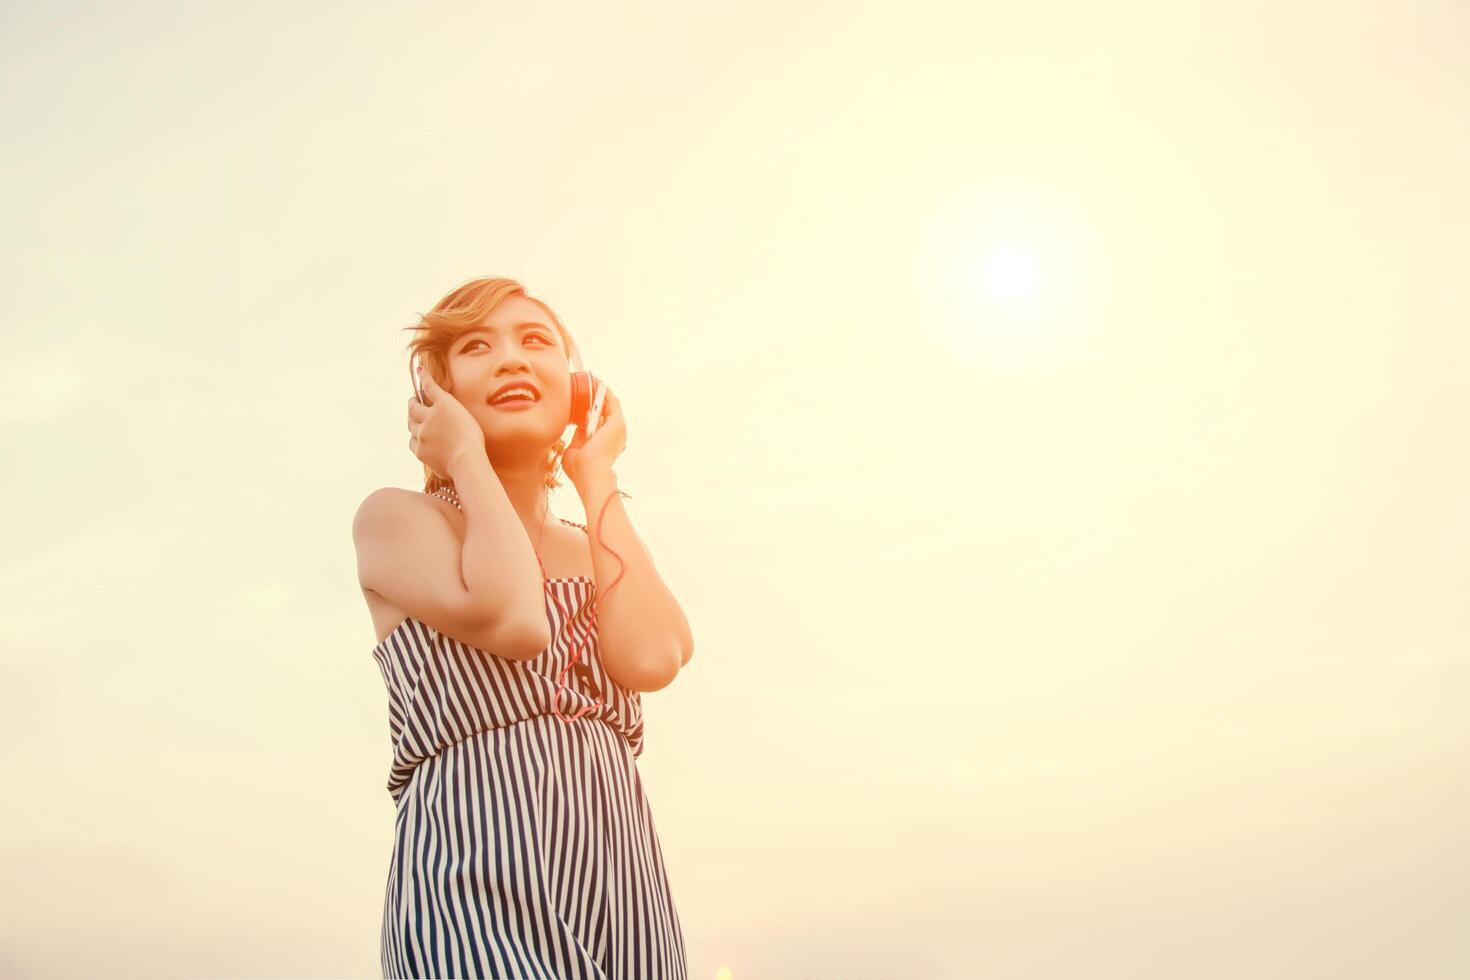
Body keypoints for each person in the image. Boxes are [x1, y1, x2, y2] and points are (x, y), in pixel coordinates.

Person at [352, 276, 692, 979]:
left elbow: (654, 657)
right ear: (436, 392)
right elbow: (514, 619)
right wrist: (465, 458)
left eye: (535, 341)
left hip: (619, 881)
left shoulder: (591, 542)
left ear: (574, 384)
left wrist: (596, 473)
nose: (510, 358)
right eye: (477, 347)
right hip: (471, 872)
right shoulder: (399, 521)